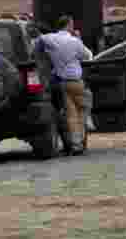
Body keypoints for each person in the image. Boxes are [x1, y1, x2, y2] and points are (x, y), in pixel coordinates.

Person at [33, 14, 92, 155]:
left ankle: (75, 144)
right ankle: (80, 138)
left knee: (70, 114)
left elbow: (38, 42)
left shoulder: (50, 38)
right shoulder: (74, 41)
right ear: (69, 25)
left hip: (62, 82)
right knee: (84, 108)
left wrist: (41, 56)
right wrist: (79, 38)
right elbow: (87, 56)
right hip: (76, 82)